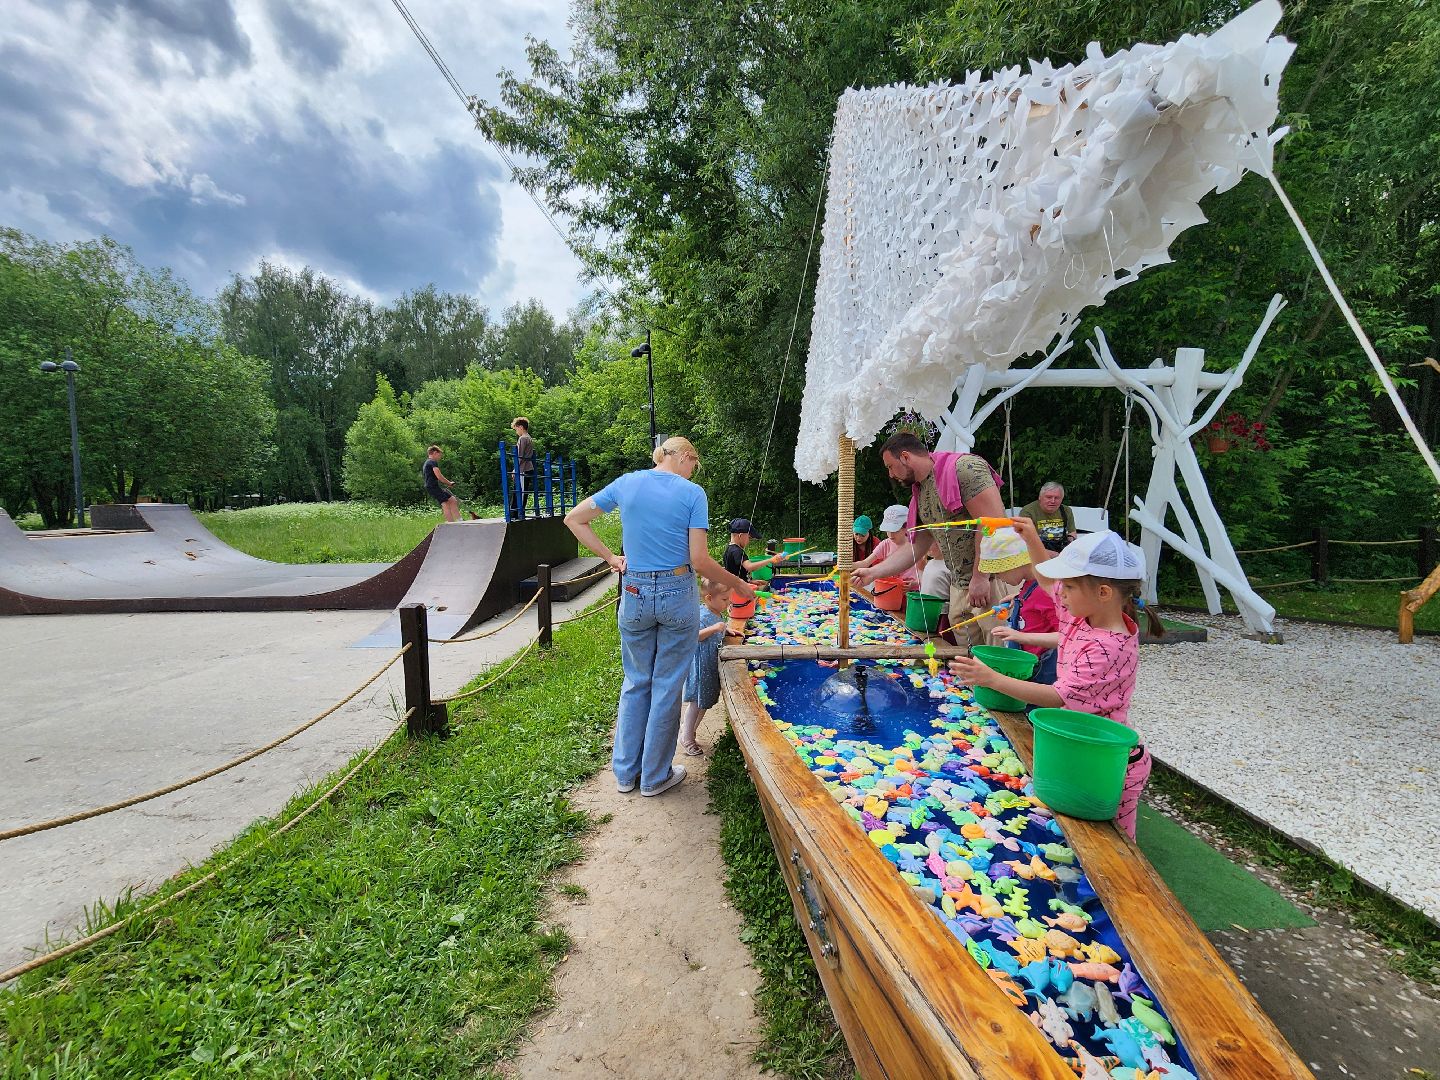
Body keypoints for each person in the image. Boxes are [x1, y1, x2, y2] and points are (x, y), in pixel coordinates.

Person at [948, 520, 1165, 839]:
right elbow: (1049, 582)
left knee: (1112, 839)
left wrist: (991, 678)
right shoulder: (1085, 614)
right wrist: (1032, 539)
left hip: (1107, 761)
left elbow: (1057, 696)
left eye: (1071, 587)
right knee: (1074, 826)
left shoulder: (1108, 647)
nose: (1060, 595)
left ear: (1103, 592)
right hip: (1079, 744)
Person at [565, 436, 753, 797]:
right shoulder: (692, 493)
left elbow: (574, 519)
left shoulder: (626, 483)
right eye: (693, 464)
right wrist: (738, 585)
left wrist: (610, 558)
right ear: (685, 456)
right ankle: (654, 777)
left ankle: (624, 774)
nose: (691, 472)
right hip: (675, 592)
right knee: (667, 686)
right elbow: (699, 560)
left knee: (636, 682)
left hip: (633, 591)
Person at [852, 432, 1007, 644]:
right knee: (970, 658)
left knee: (996, 648)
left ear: (905, 457)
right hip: (960, 583)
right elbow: (916, 546)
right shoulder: (921, 490)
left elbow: (992, 523)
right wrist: (873, 571)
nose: (890, 474)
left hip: (992, 579)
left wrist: (980, 577)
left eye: (890, 466)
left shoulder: (964, 469)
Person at [980, 527, 1059, 683]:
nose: (997, 577)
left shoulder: (1045, 592)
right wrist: (1019, 599)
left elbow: (1066, 637)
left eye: (998, 571)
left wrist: (1020, 636)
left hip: (1041, 671)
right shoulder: (1030, 585)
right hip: (1026, 666)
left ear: (1016, 563)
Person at [679, 578, 730, 757]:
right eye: (724, 600)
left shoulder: (716, 613)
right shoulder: (702, 615)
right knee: (696, 703)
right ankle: (686, 737)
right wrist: (715, 628)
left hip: (709, 665)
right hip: (701, 666)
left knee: (704, 703)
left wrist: (726, 630)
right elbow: (695, 637)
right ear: (709, 598)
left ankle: (691, 730)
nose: (728, 602)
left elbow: (718, 628)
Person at [722, 518, 790, 637]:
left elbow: (734, 572)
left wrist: (750, 581)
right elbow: (749, 567)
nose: (749, 541)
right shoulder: (737, 551)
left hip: (735, 589)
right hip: (740, 593)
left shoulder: (729, 549)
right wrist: (771, 560)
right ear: (740, 535)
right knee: (744, 614)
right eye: (749, 537)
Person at [855, 504, 925, 590]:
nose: (890, 535)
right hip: (891, 589)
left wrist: (914, 584)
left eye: (895, 530)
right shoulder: (885, 544)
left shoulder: (917, 545)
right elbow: (865, 563)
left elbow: (925, 574)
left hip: (912, 593)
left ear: (906, 527)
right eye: (888, 530)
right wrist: (845, 565)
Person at [1020, 481, 1076, 553]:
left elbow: (1072, 533)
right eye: (1049, 497)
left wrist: (1068, 546)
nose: (1053, 501)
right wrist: (1051, 554)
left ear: (1062, 499)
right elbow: (1024, 541)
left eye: (1057, 498)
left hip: (1061, 549)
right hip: (1036, 551)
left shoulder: (1066, 510)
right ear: (1040, 497)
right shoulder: (1028, 511)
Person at [422, 445, 461, 523]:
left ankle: (459, 520)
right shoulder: (432, 462)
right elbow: (439, 476)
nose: (440, 457)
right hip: (432, 487)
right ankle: (451, 523)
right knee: (445, 503)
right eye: (439, 455)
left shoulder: (427, 462)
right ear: (435, 453)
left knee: (452, 500)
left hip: (434, 486)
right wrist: (449, 483)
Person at [511, 417, 538, 516]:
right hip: (526, 468)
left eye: (516, 429)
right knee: (521, 490)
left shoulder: (523, 438)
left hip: (523, 468)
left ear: (521, 427)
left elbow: (520, 456)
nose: (516, 432)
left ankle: (517, 513)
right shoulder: (528, 437)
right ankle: (517, 512)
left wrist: (515, 469)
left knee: (519, 491)